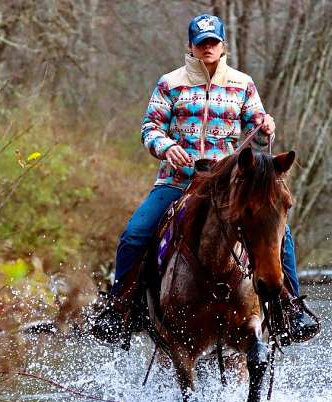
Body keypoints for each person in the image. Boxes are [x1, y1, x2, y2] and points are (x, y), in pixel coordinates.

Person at [93, 14, 318, 348]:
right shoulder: (170, 83)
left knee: (280, 233)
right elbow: (149, 127)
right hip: (177, 181)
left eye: (213, 42)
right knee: (134, 234)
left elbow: (256, 132)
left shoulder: (243, 84)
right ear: (191, 46)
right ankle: (119, 310)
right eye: (201, 43)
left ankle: (290, 310)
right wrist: (167, 147)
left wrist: (265, 125)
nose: (207, 48)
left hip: (227, 184)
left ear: (222, 45)